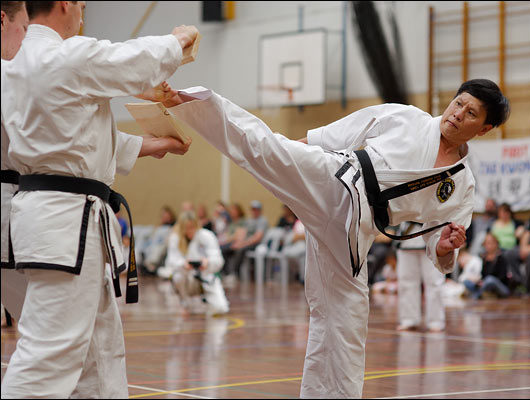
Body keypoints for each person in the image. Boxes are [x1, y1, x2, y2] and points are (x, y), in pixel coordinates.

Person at [164, 78, 509, 398]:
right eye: (458, 103)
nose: (458, 114)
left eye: (471, 113)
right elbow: (340, 132)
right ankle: (187, 100)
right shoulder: (407, 118)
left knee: (346, 323)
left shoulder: (462, 186)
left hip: (358, 232)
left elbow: (441, 250)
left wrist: (446, 248)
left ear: (485, 128)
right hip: (337, 181)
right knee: (265, 148)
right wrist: (290, 154)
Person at [0, 1, 198, 397]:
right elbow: (134, 60)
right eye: (82, 5)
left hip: (56, 214)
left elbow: (73, 136)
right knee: (49, 356)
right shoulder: (65, 54)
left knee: (100, 351)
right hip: (64, 220)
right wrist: (178, 41)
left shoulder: (17, 65)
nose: (83, 14)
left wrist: (151, 143)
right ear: (64, 4)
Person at [0, 0, 29, 329]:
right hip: (9, 202)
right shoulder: (11, 75)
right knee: (42, 330)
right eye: (24, 27)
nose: (25, 41)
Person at [165, 211, 229, 316]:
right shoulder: (175, 238)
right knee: (177, 277)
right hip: (186, 278)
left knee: (221, 308)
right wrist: (183, 264)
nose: (190, 230)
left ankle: (209, 302)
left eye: (192, 226)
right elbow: (171, 262)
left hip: (205, 276)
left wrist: (208, 262)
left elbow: (218, 260)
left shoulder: (207, 236)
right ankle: (185, 302)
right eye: (187, 227)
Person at [395, 222, 446, 332]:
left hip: (433, 232)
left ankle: (435, 321)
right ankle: (409, 319)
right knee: (406, 281)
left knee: (434, 282)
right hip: (406, 235)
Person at [463, 233, 511, 299]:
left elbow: (503, 277)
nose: (488, 246)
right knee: (467, 281)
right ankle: (484, 294)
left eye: (491, 243)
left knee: (490, 280)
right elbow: (483, 275)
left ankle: (476, 295)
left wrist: (485, 282)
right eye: (486, 243)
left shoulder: (501, 257)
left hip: (501, 286)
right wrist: (479, 281)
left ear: (496, 244)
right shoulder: (484, 258)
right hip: (485, 284)